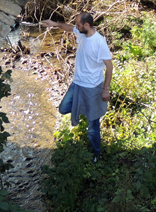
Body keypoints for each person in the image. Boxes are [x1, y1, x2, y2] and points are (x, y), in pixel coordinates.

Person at [41, 12, 112, 163]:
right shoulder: (82, 34)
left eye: (78, 25)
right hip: (78, 83)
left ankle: (96, 153)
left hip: (93, 87)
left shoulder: (99, 42)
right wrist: (55, 24)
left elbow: (109, 67)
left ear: (87, 25)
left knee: (93, 125)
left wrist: (106, 90)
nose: (76, 27)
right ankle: (84, 111)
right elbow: (68, 28)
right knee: (63, 108)